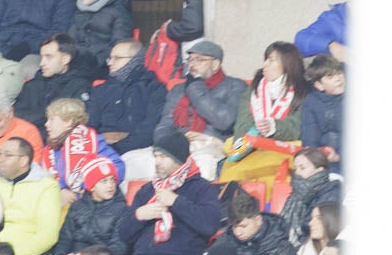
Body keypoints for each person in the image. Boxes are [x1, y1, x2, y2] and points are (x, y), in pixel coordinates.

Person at [220, 41, 309, 188]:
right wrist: (253, 134)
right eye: (265, 59)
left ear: (288, 64)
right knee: (230, 163)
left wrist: (274, 127)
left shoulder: (303, 91)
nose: (265, 65)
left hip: (282, 149)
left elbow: (299, 126)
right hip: (252, 148)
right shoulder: (253, 90)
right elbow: (242, 125)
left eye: (271, 60)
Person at [154, 39, 248, 173]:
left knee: (201, 161)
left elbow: (224, 121)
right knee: (133, 160)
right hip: (179, 145)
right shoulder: (178, 90)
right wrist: (172, 144)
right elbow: (164, 126)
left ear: (216, 64)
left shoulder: (235, 86)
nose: (192, 65)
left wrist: (195, 87)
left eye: (199, 60)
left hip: (214, 144)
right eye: (190, 60)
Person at [90, 40, 169, 176]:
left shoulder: (154, 88)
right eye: (110, 58)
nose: (109, 62)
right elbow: (90, 125)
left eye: (117, 58)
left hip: (137, 149)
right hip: (101, 149)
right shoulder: (100, 89)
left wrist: (118, 148)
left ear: (135, 60)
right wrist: (102, 148)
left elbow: (149, 127)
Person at [15, 34, 97, 136]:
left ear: (65, 59)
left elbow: (71, 121)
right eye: (41, 57)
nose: (41, 63)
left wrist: (34, 119)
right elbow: (15, 115)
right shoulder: (33, 84)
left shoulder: (80, 86)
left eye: (48, 57)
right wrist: (47, 117)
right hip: (26, 138)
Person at [71, 0, 136, 73]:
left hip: (101, 66)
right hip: (77, 62)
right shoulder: (79, 12)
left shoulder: (119, 14)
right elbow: (71, 39)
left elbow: (119, 45)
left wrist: (94, 60)